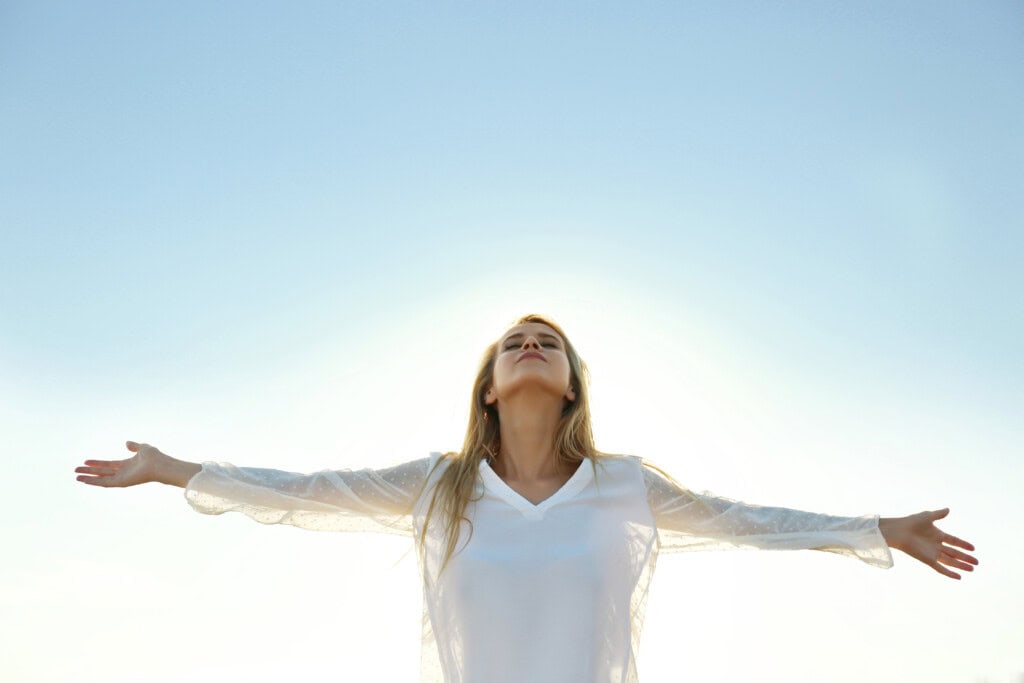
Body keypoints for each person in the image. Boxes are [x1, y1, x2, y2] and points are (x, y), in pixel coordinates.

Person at [74, 313, 978, 683]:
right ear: (491, 388)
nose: (531, 343)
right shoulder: (440, 484)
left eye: (548, 339)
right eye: (514, 341)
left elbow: (749, 521)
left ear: (574, 385)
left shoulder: (622, 484)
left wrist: (877, 529)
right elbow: (311, 492)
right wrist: (175, 468)